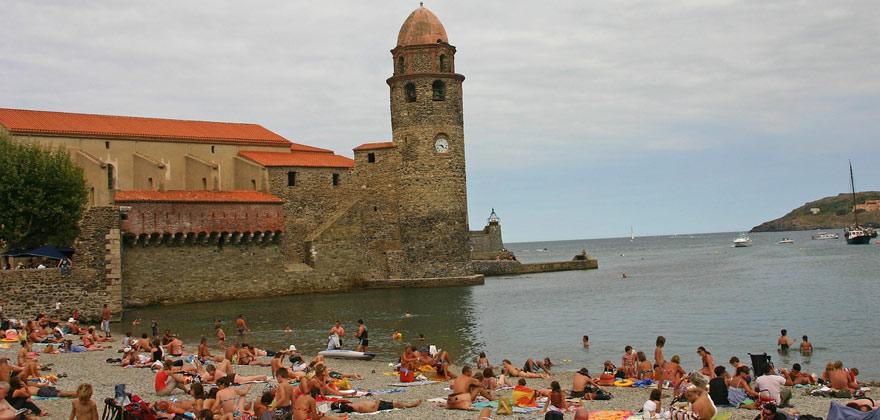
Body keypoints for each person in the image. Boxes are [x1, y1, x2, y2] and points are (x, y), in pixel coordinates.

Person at [331, 399, 421, 414]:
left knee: (395, 402)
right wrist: (377, 403)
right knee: (396, 403)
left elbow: (340, 403)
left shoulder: (351, 405)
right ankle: (411, 405)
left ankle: (409, 404)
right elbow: (373, 411)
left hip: (378, 403)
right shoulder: (358, 408)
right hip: (379, 406)